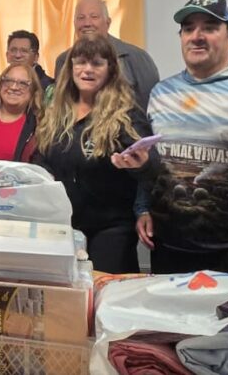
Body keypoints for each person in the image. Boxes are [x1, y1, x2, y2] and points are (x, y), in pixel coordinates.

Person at [139, 0, 228, 275]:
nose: (197, 36)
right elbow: (149, 159)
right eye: (188, 28)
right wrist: (141, 208)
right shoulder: (161, 93)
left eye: (210, 27)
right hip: (167, 246)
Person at [33, 37, 159, 273]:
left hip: (111, 228)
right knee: (66, 291)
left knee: (105, 289)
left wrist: (140, 164)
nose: (87, 69)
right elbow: (42, 156)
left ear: (110, 69)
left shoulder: (126, 113)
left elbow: (152, 164)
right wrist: (42, 175)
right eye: (81, 62)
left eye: (97, 63)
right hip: (63, 224)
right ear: (71, 68)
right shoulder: (56, 111)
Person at [54, 0, 159, 110]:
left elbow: (150, 107)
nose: (87, 23)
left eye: (94, 17)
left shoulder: (135, 57)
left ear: (108, 23)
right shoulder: (63, 61)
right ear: (74, 24)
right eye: (81, 18)